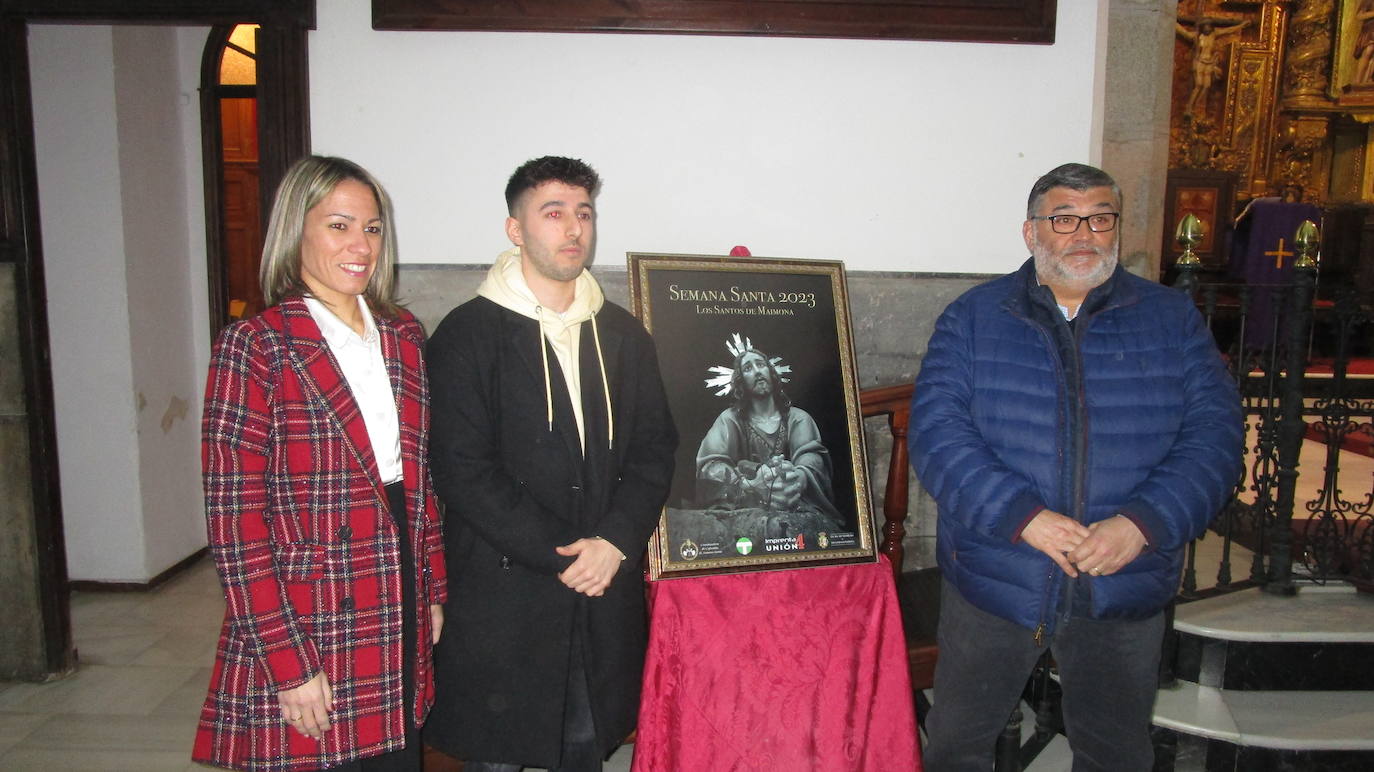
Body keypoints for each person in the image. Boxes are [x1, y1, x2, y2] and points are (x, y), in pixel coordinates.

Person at [910, 163, 1243, 771]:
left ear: (1117, 228)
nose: (1083, 234)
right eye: (1064, 219)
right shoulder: (975, 318)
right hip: (999, 575)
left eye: (1100, 218)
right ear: (1031, 232)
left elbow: (1216, 440)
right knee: (958, 749)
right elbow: (938, 436)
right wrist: (1024, 517)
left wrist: (1141, 524)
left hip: (1122, 579)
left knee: (1115, 754)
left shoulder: (1171, 320)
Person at [193, 156, 447, 771]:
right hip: (311, 602)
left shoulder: (403, 335)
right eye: (340, 225)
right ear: (295, 231)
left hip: (396, 585)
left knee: (394, 755)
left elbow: (419, 480)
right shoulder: (257, 346)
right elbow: (235, 525)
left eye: (373, 227)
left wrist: (433, 586)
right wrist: (286, 662)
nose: (361, 245)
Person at [423, 156, 677, 771]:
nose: (573, 229)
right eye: (553, 213)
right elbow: (462, 469)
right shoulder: (465, 335)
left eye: (583, 214)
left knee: (586, 746)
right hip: (506, 589)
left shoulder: (622, 334)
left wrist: (614, 542)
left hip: (599, 585)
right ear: (516, 229)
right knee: (499, 754)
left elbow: (653, 448)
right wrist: (569, 551)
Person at [695, 339, 842, 529]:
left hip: (796, 506)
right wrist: (750, 487)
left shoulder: (798, 418)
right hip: (747, 511)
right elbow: (711, 465)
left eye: (760, 365)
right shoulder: (729, 420)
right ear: (740, 381)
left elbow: (812, 457)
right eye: (748, 368)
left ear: (771, 373)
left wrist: (797, 480)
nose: (757, 371)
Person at [1175, 18, 1249, 116]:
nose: (1207, 29)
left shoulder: (1214, 34)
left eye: (1209, 26)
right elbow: (1184, 32)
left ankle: (1195, 107)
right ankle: (1189, 108)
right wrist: (1172, 20)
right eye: (1205, 27)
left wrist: (1241, 25)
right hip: (1200, 62)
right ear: (1202, 28)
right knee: (1198, 85)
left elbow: (1228, 30)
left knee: (1206, 86)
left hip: (1209, 62)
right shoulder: (1197, 36)